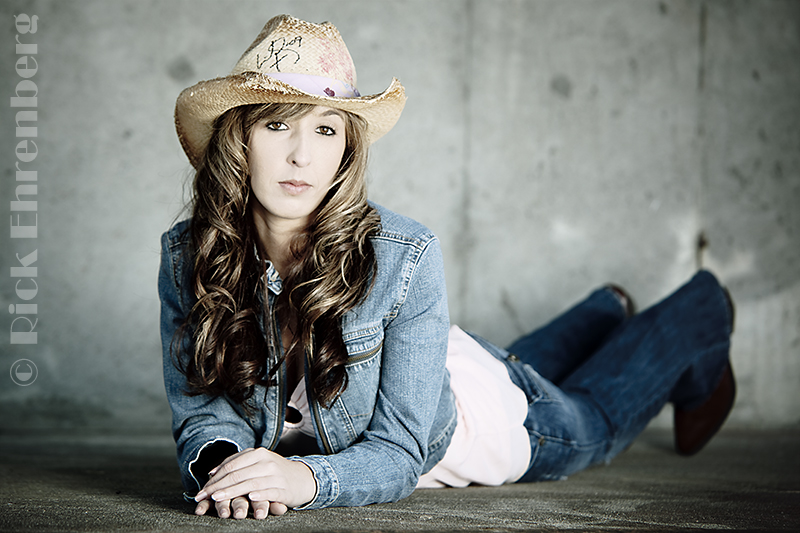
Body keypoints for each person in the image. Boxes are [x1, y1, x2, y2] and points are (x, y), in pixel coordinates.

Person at [159, 14, 736, 520]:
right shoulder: (192, 254)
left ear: (344, 153)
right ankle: (603, 313)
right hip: (434, 366)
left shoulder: (403, 255)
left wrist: (302, 479)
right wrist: (223, 468)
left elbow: (401, 451)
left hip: (479, 423)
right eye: (277, 124)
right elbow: (202, 411)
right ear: (240, 137)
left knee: (595, 420)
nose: (301, 156)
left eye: (326, 128)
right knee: (514, 364)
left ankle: (700, 310)